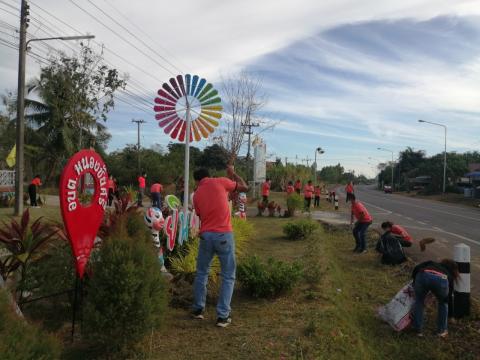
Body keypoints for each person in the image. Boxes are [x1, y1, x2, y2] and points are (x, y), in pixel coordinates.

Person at [191, 165, 248, 328]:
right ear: (209, 175)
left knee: (202, 272)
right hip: (223, 235)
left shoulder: (196, 195)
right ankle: (222, 316)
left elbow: (202, 215)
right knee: (228, 275)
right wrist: (233, 174)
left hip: (206, 236)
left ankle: (198, 310)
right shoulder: (222, 182)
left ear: (197, 180)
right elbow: (245, 187)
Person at [411, 259, 459, 338]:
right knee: (443, 303)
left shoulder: (431, 263)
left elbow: (417, 268)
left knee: (419, 301)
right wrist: (451, 316)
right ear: (453, 270)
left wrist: (414, 280)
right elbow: (449, 298)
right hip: (441, 278)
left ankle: (417, 329)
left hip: (423, 274)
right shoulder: (449, 275)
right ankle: (441, 331)